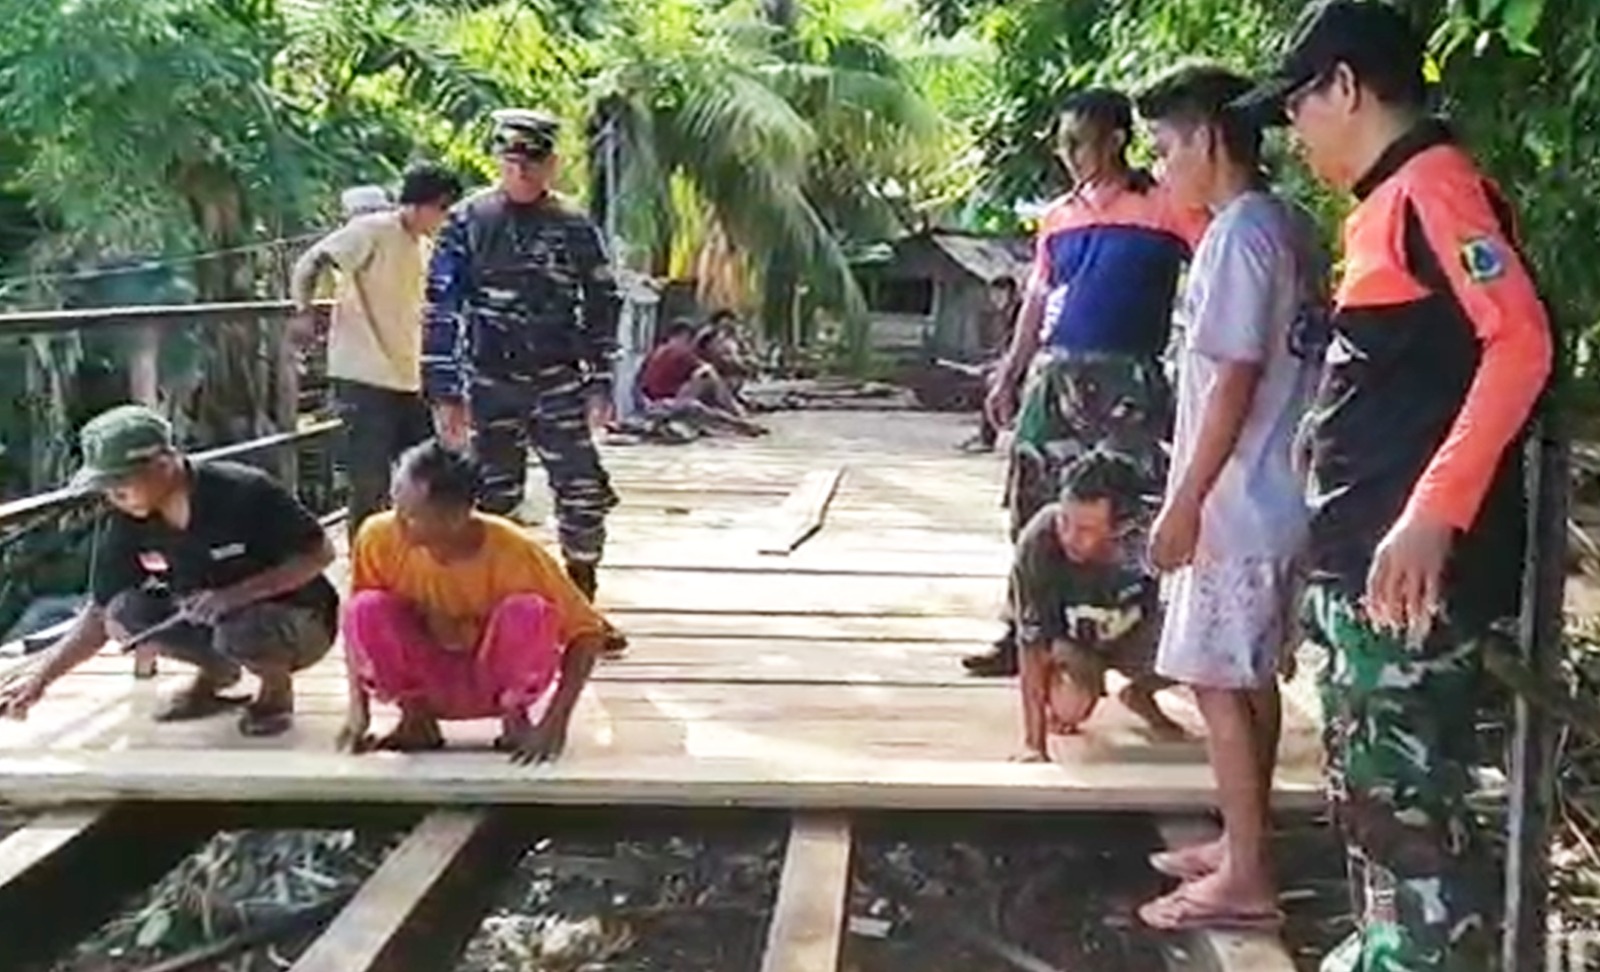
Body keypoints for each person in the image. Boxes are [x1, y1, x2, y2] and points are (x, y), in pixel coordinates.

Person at [1232, 2, 1554, 968]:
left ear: (1346, 86)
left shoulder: (1434, 188)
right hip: (1364, 577)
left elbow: (1521, 342)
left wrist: (1432, 510)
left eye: (1299, 103)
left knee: (1412, 821)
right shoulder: (1385, 204)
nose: (1294, 127)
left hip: (1410, 582)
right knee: (1375, 804)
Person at [1131, 62, 1329, 933]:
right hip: (1278, 490)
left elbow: (1235, 378)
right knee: (1246, 681)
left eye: (1167, 146)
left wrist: (1185, 501)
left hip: (1240, 497)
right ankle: (1243, 839)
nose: (1163, 166)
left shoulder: (1238, 235)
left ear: (1210, 138)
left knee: (1217, 682)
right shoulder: (1289, 224)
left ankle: (1247, 875)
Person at [966, 88, 1208, 677]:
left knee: (1128, 508)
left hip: (1130, 376)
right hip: (1059, 372)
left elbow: (1213, 276)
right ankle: (1024, 631)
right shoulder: (1058, 216)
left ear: (1117, 139)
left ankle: (1128, 642)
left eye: (1078, 141)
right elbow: (1038, 298)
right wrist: (1010, 370)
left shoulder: (1168, 206)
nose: (1068, 153)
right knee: (1034, 500)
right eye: (1063, 143)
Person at [0, 405, 339, 737]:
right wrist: (38, 683)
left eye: (122, 480)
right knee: (124, 613)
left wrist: (236, 596)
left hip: (299, 618)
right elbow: (99, 613)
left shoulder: (244, 491)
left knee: (241, 626)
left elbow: (320, 553)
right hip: (207, 616)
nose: (113, 493)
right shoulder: (128, 519)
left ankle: (275, 694)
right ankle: (216, 672)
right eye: (106, 484)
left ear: (164, 463)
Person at [421, 108, 622, 602]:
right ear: (498, 162)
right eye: (511, 163)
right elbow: (441, 305)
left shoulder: (572, 223)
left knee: (581, 488)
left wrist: (600, 382)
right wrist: (445, 391)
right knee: (489, 496)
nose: (521, 173)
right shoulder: (469, 220)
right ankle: (488, 600)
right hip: (489, 379)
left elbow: (601, 302)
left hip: (557, 378)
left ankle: (580, 594)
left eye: (532, 163)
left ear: (551, 165)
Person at [338, 440, 611, 763]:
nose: (397, 523)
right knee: (366, 607)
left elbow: (587, 633)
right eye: (396, 507)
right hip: (425, 679)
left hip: (493, 680)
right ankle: (416, 720)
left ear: (455, 517)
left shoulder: (513, 550)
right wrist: (358, 711)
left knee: (529, 612)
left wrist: (556, 721)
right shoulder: (378, 536)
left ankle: (515, 719)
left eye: (411, 516)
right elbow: (357, 627)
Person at [291, 164, 464, 543]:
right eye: (443, 209)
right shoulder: (372, 230)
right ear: (424, 206)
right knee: (368, 481)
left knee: (425, 474)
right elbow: (311, 262)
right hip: (363, 376)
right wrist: (304, 311)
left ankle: (414, 555)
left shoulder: (423, 245)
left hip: (405, 378)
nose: (445, 219)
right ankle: (366, 565)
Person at [1011, 451, 1185, 763]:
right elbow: (1030, 645)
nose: (1069, 537)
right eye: (1065, 521)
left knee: (1203, 647)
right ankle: (1066, 683)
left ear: (1123, 526)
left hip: (1138, 633)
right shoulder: (1040, 540)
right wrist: (1033, 744)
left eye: (1086, 530)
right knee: (1071, 706)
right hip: (1075, 642)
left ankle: (1141, 693)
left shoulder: (1154, 539)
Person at [637, 319, 766, 436]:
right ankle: (739, 419)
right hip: (666, 401)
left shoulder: (657, 351)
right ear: (684, 335)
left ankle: (736, 417)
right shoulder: (680, 351)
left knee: (702, 399)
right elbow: (708, 370)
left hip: (652, 400)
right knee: (707, 377)